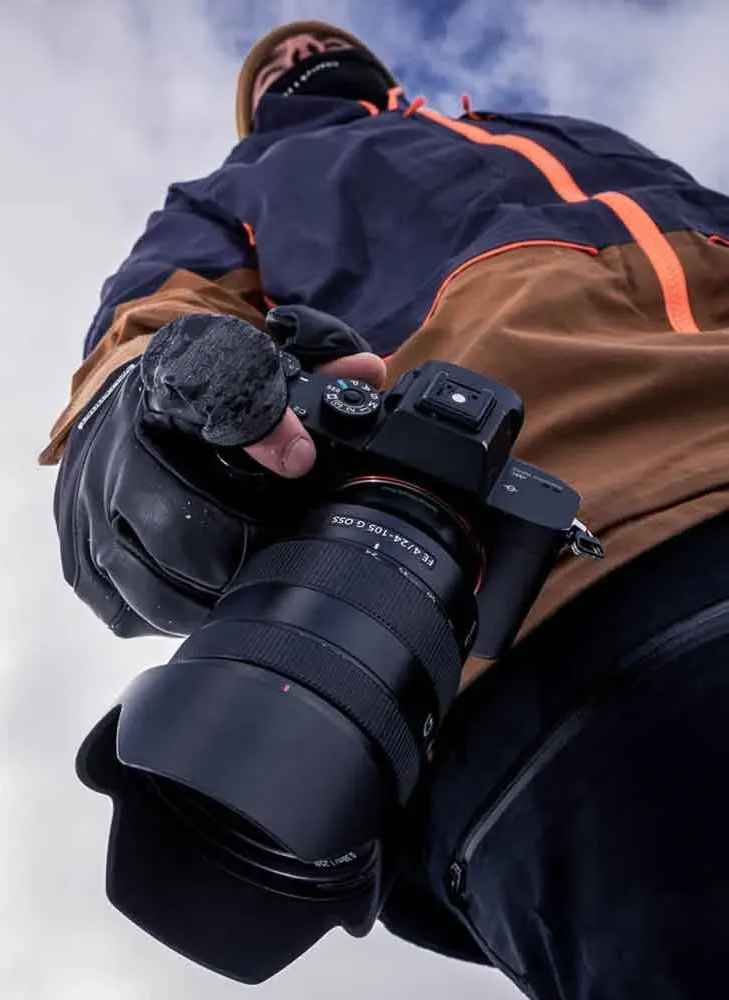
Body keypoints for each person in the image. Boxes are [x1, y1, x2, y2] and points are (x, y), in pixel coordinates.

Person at [40, 18, 729, 1000]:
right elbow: (139, 365)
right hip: (557, 624)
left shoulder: (558, 134)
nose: (293, 54)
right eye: (269, 61)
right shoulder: (234, 191)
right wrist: (181, 440)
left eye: (309, 42)